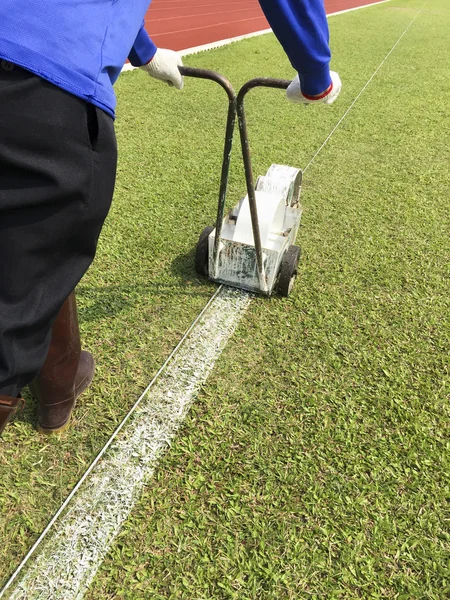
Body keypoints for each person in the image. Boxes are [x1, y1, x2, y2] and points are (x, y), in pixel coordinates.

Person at [0, 0, 341, 436]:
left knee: (33, 245)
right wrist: (316, 78)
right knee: (26, 270)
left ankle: (58, 385)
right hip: (43, 87)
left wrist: (143, 51)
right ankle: (52, 387)